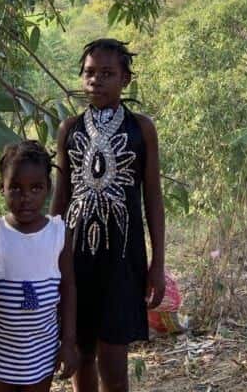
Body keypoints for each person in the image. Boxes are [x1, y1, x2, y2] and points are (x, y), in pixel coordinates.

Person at [49, 39, 165, 392]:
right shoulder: (69, 128)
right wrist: (49, 254)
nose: (95, 81)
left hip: (123, 259)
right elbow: (60, 198)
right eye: (89, 73)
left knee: (114, 360)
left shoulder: (141, 128)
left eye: (107, 73)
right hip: (75, 258)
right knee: (80, 352)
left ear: (126, 79)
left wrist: (157, 264)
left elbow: (153, 198)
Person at [0, 141, 79, 391]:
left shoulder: (58, 234)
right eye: (15, 188)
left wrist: (68, 343)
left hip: (42, 348)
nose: (25, 197)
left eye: (36, 188)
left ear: (48, 189)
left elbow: (69, 288)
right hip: (2, 349)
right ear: (2, 189)